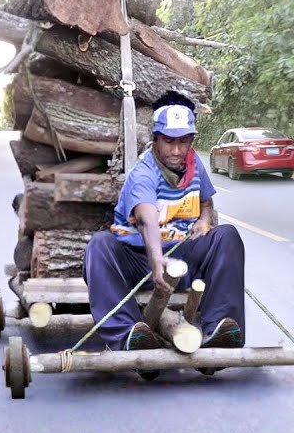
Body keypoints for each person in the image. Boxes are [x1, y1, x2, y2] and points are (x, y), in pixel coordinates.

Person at [83, 92, 246, 357]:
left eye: (184, 141)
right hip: (141, 262)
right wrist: (157, 260)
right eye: (169, 141)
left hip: (182, 259)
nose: (177, 150)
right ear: (156, 140)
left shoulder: (194, 164)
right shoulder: (144, 172)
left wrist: (204, 222)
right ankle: (128, 336)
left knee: (226, 235)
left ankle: (219, 331)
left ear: (192, 140)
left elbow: (206, 202)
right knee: (100, 245)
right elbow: (147, 218)